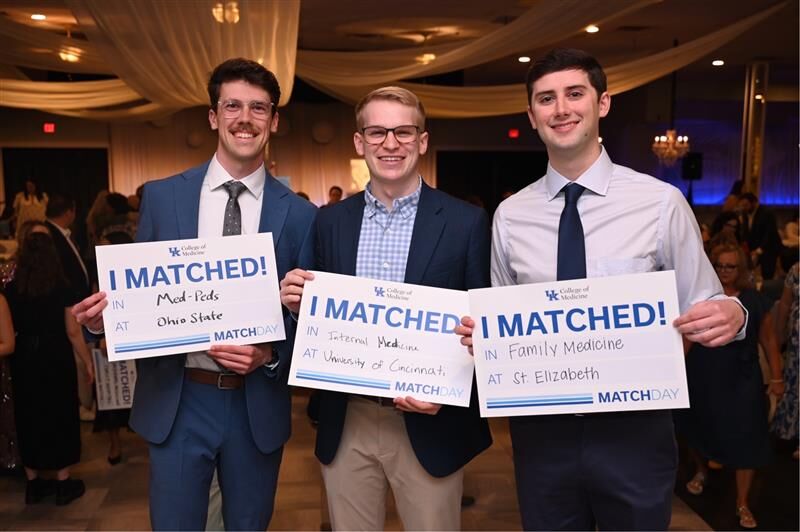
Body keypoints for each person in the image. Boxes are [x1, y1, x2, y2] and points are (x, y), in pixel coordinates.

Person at [455, 48, 746, 531]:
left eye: (575, 94)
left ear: (602, 103)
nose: (561, 108)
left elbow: (706, 301)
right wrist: (487, 341)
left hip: (635, 433)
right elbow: (503, 319)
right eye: (546, 99)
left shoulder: (660, 203)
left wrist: (735, 314)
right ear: (532, 116)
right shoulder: (511, 215)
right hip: (541, 435)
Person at [70, 58, 316, 530]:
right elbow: (143, 296)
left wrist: (268, 354)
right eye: (233, 105)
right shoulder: (164, 198)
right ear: (212, 116)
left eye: (258, 108)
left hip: (255, 405)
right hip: (179, 398)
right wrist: (111, 318)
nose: (245, 118)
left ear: (274, 121)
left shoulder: (301, 215)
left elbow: (307, 319)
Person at [280, 86, 492, 530]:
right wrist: (298, 304)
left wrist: (450, 386)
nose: (390, 144)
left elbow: (485, 327)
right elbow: (314, 318)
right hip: (348, 417)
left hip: (431, 422)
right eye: (376, 132)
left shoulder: (465, 223)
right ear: (359, 143)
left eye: (403, 131)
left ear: (422, 141)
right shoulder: (329, 220)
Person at [677, 243, 784, 529]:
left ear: (742, 269)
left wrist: (776, 378)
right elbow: (684, 336)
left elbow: (770, 341)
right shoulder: (697, 298)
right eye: (720, 265)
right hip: (702, 373)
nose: (725, 271)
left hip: (741, 378)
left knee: (747, 438)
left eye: (731, 266)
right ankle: (701, 472)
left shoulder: (755, 300)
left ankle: (742, 502)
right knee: (697, 428)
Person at [6, 224, 94, 505]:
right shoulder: (63, 285)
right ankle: (63, 481)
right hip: (55, 355)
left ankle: (33, 483)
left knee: (28, 415)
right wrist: (87, 361)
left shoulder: (11, 287)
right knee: (60, 414)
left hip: (23, 357)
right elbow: (72, 331)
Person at [91, 231, 135, 465]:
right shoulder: (98, 274)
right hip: (109, 340)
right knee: (110, 396)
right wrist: (101, 336)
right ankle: (114, 444)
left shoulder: (136, 270)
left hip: (134, 340)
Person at [773, 262, 799, 458]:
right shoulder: (796, 270)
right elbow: (784, 303)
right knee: (795, 387)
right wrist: (779, 334)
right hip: (796, 344)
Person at [739, 192, 781, 280]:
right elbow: (746, 233)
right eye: (742, 205)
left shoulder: (766, 213)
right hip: (754, 249)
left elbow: (769, 234)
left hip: (769, 248)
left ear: (754, 203)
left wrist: (760, 249)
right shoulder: (745, 214)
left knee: (767, 274)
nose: (744, 208)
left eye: (746, 205)